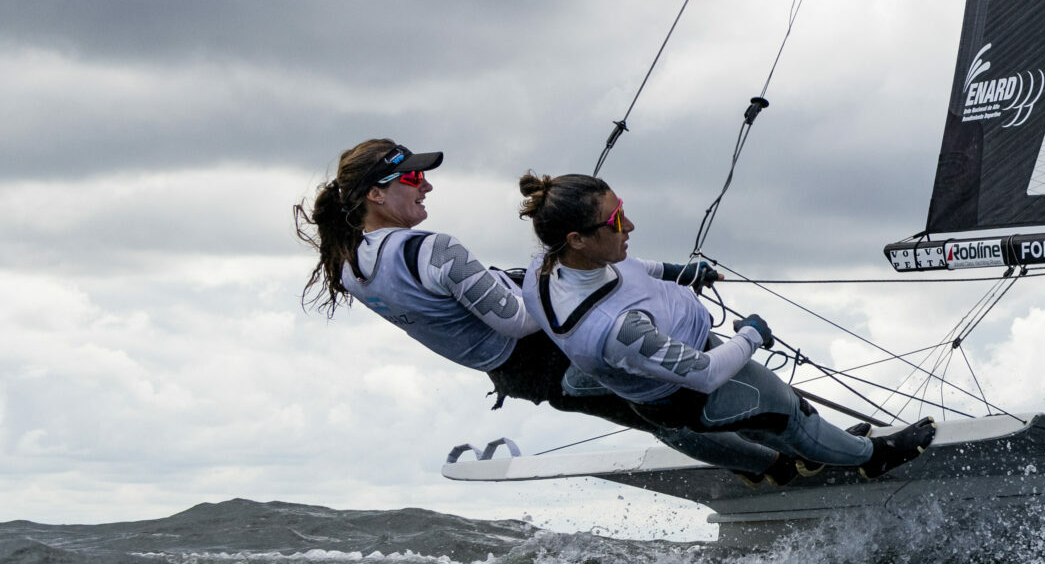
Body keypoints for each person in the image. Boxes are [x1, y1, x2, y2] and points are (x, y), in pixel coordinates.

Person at [516, 171, 936, 485]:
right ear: (577, 239)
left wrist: (676, 271)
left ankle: (813, 454)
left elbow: (630, 269)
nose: (630, 226)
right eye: (616, 222)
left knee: (768, 425)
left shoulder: (547, 263)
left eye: (622, 211)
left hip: (683, 359)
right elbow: (705, 372)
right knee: (791, 415)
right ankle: (871, 457)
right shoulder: (616, 329)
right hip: (695, 389)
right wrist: (751, 334)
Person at [295, 138, 640, 424]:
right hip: (554, 355)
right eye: (413, 177)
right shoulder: (433, 250)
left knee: (662, 416)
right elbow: (518, 321)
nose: (427, 185)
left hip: (520, 378)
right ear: (375, 194)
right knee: (677, 401)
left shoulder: (347, 265)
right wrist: (568, 271)